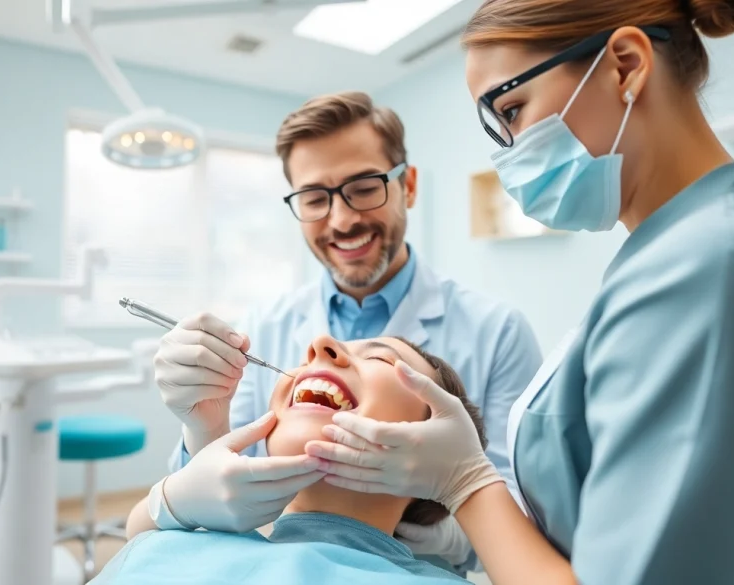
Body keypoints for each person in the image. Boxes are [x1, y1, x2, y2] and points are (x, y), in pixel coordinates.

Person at [305, 1, 734, 584]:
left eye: (513, 110)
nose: (509, 152)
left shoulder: (716, 270)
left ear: (624, 66)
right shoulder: (680, 257)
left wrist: (466, 486)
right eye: (497, 128)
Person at [149, 92, 543, 570]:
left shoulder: (497, 332)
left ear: (409, 186)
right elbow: (196, 505)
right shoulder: (265, 326)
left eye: (363, 187)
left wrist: (385, 509)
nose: (342, 219)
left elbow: (510, 518)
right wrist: (202, 428)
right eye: (315, 198)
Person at [94, 336, 485, 585]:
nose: (319, 346)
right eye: (307, 356)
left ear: (439, 444)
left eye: (381, 358)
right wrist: (174, 498)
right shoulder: (164, 547)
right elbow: (143, 529)